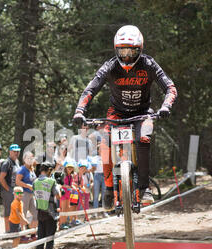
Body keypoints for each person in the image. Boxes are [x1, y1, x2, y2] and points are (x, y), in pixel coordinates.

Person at [72, 25, 177, 209]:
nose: (127, 57)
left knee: (144, 139)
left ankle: (144, 188)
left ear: (140, 50)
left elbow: (170, 87)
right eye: (123, 52)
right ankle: (108, 188)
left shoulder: (149, 64)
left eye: (131, 51)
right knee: (104, 142)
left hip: (142, 113)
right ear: (116, 50)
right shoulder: (110, 66)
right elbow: (90, 89)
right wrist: (80, 111)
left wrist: (166, 106)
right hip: (117, 113)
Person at [33, 162, 63, 249]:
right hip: (51, 214)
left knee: (40, 239)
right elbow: (58, 196)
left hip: (40, 213)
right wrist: (59, 187)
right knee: (50, 239)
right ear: (49, 170)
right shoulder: (51, 181)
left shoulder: (35, 182)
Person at [16, 151, 38, 242]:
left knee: (36, 212)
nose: (30, 160)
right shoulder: (22, 169)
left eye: (31, 158)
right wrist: (27, 185)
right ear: (24, 160)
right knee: (23, 214)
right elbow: (17, 182)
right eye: (28, 158)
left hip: (32, 194)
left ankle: (33, 233)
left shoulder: (32, 169)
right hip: (24, 194)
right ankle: (22, 236)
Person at [0, 144, 21, 232]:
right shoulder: (7, 162)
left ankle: (14, 230)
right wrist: (8, 189)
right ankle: (7, 231)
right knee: (8, 210)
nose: (16, 153)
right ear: (10, 152)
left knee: (16, 209)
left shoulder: (17, 161)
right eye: (14, 151)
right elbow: (1, 178)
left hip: (15, 190)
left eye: (17, 151)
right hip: (8, 191)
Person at [58, 160, 77, 230]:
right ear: (66, 168)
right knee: (63, 209)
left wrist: (73, 186)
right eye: (68, 167)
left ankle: (65, 222)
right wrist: (68, 186)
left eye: (71, 167)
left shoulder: (71, 176)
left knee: (67, 208)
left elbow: (70, 183)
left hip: (68, 194)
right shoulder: (63, 175)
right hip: (63, 193)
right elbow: (60, 184)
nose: (70, 168)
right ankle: (61, 224)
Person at [75, 159, 93, 223]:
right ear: (79, 168)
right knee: (78, 204)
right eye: (81, 167)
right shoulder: (77, 175)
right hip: (79, 191)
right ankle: (75, 218)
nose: (83, 169)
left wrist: (88, 185)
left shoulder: (89, 174)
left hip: (87, 190)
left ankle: (87, 217)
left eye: (84, 168)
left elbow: (92, 182)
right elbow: (75, 183)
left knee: (86, 204)